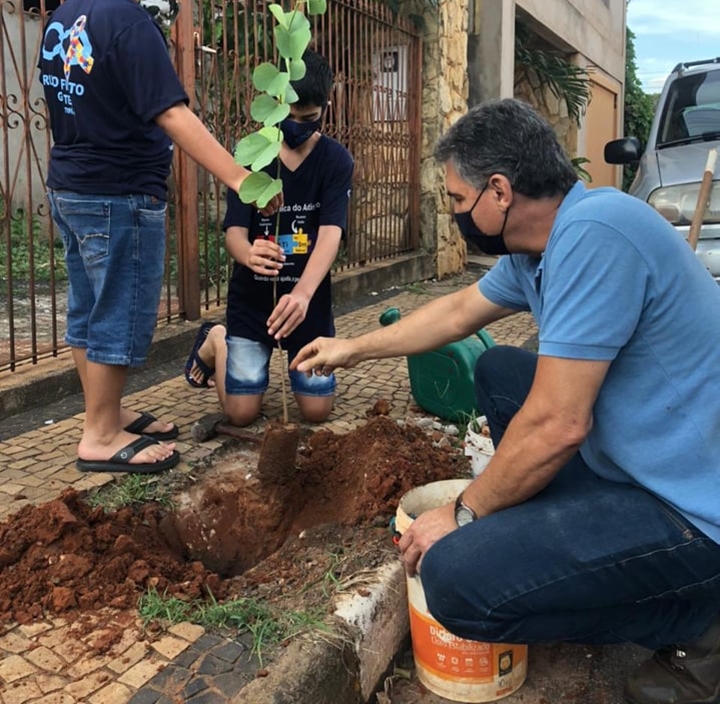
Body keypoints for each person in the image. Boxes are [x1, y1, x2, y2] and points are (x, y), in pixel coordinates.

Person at [291, 98, 720, 704]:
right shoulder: (540, 247)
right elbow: (459, 311)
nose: (455, 214)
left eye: (458, 200)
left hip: (696, 510)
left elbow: (559, 423)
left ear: (499, 191)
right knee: (499, 369)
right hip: (641, 461)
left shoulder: (596, 235)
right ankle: (583, 557)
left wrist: (464, 513)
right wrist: (353, 348)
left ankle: (696, 621)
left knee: (456, 581)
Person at [39, 0, 280, 475]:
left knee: (88, 311)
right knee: (119, 314)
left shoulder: (66, 14)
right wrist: (243, 178)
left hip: (71, 187)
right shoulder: (129, 23)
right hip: (118, 193)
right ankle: (99, 436)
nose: (176, 5)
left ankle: (107, 413)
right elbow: (174, 115)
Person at [185, 50, 354, 426]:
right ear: (275, 105)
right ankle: (217, 339)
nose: (298, 127)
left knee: (316, 411)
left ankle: (264, 348)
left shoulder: (335, 161)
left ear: (326, 106)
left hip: (306, 305)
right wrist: (247, 255)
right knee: (241, 414)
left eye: (309, 119)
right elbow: (234, 234)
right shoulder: (252, 154)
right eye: (290, 118)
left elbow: (330, 233)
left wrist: (303, 294)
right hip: (252, 303)